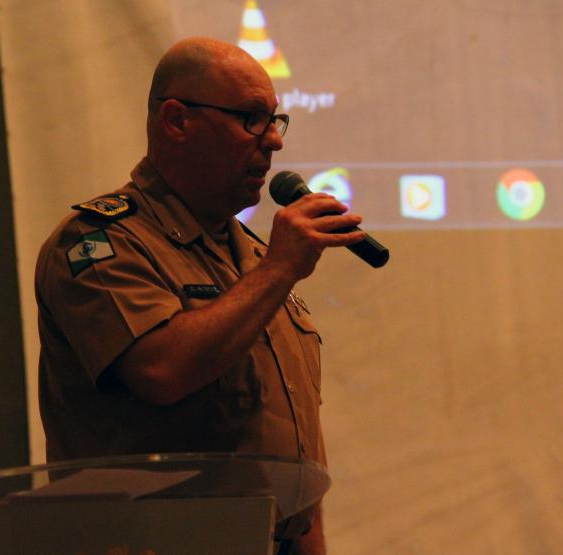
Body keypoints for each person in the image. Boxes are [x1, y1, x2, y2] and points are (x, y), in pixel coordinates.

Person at [35, 36, 365, 554]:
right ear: (176, 121)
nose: (274, 142)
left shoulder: (254, 259)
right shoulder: (99, 244)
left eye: (276, 120)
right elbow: (163, 371)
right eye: (250, 118)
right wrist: (280, 269)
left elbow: (295, 449)